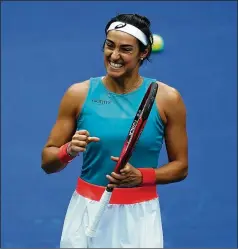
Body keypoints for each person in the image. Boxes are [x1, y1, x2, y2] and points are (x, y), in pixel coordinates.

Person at [41, 13, 188, 248]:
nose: (114, 56)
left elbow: (180, 167)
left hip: (138, 218)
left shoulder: (167, 99)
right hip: (85, 210)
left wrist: (142, 177)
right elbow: (47, 162)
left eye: (126, 49)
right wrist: (68, 150)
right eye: (109, 46)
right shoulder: (78, 94)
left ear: (144, 53)